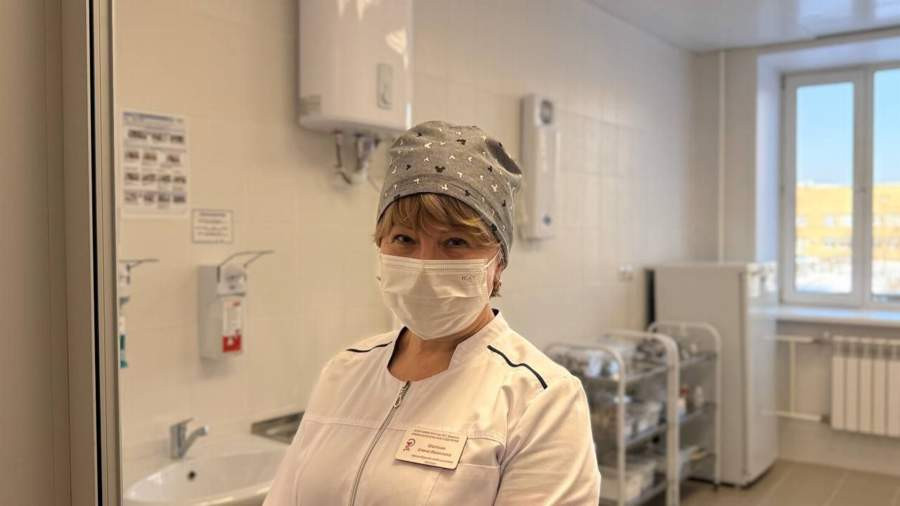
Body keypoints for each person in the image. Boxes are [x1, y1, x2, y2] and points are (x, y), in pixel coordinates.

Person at [263, 120, 600, 505]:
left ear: (498, 263)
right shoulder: (344, 372)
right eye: (404, 239)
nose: (424, 264)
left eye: (455, 242)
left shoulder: (541, 400)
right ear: (380, 244)